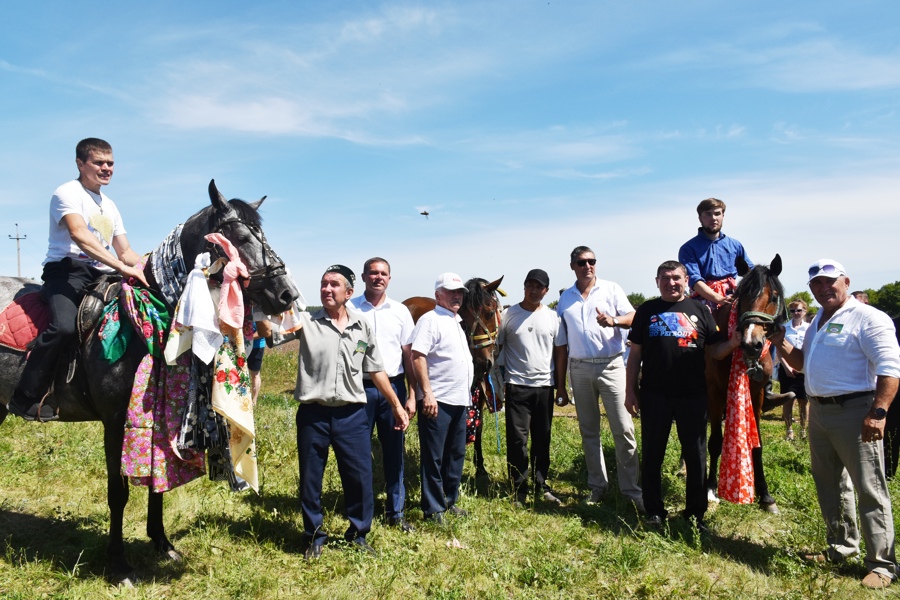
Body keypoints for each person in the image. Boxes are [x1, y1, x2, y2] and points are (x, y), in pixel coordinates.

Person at [773, 259, 900, 589]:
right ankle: (841, 548)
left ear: (845, 281)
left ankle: (882, 564)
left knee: (869, 488)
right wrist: (780, 342)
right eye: (816, 283)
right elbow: (801, 364)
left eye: (830, 281)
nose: (823, 287)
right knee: (830, 485)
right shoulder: (818, 321)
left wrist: (878, 412)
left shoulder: (869, 318)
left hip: (856, 411)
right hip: (820, 412)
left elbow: (890, 367)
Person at [9, 138, 148, 422]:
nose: (106, 168)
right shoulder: (67, 193)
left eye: (110, 163)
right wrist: (121, 266)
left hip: (101, 274)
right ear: (80, 164)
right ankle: (26, 396)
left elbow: (126, 250)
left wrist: (150, 268)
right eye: (99, 162)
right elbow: (79, 235)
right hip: (66, 272)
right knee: (62, 326)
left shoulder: (109, 205)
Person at [293, 265, 409, 559]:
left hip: (352, 415)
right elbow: (269, 333)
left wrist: (396, 405)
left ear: (348, 293)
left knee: (360, 477)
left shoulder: (361, 326)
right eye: (323, 284)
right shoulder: (306, 321)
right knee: (310, 478)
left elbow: (376, 368)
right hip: (313, 415)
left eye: (334, 285)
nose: (327, 289)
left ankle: (358, 533)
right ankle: (314, 536)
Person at [625, 261, 721, 531]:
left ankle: (695, 515)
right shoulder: (646, 310)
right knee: (653, 454)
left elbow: (715, 351)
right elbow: (635, 356)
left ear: (686, 279)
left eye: (676, 278)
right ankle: (655, 511)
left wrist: (734, 343)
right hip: (655, 394)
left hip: (693, 395)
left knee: (696, 456)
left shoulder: (700, 310)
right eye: (665, 278)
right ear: (657, 281)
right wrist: (630, 390)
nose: (671, 283)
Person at [678, 197, 792, 408]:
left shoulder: (735, 244)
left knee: (763, 326)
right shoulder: (689, 248)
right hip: (705, 297)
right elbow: (694, 280)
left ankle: (764, 389)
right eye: (708, 214)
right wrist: (717, 297)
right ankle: (691, 384)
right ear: (700, 217)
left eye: (717, 213)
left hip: (735, 296)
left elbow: (749, 272)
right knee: (692, 334)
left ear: (723, 216)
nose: (713, 218)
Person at [554, 246, 643, 511]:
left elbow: (634, 316)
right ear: (572, 266)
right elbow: (561, 343)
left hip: (611, 365)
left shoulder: (611, 289)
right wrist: (560, 384)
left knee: (623, 428)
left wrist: (614, 321)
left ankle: (631, 490)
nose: (587, 266)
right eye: (582, 262)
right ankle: (597, 486)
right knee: (589, 430)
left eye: (592, 261)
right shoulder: (565, 299)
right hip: (579, 368)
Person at [349, 257, 417, 532]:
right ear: (364, 277)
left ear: (390, 278)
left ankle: (396, 512)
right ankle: (359, 510)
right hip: (359, 388)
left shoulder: (400, 312)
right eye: (373, 273)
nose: (378, 277)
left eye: (383, 274)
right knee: (357, 452)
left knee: (394, 452)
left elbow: (409, 355)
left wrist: (412, 395)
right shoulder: (350, 308)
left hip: (395, 387)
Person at [411, 272, 474, 524]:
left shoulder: (456, 321)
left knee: (455, 454)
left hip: (460, 399)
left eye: (460, 292)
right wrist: (427, 393)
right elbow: (418, 356)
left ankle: (449, 500)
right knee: (434, 456)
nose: (457, 296)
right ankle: (433, 508)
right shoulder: (430, 320)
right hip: (439, 399)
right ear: (438, 295)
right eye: (451, 292)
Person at [497, 269, 561, 507]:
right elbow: (496, 349)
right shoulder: (508, 315)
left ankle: (542, 484)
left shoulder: (553, 317)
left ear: (546, 291)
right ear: (524, 287)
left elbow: (559, 351)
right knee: (517, 441)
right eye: (530, 285)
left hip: (544, 387)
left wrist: (561, 385)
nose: (534, 291)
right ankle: (519, 489)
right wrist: (496, 383)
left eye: (539, 287)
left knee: (542, 438)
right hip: (517, 386)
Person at [779, 300, 810, 441]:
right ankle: (789, 430)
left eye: (799, 310)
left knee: (804, 401)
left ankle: (803, 430)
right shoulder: (784, 328)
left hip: (804, 370)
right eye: (793, 311)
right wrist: (787, 367)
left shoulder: (810, 328)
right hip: (787, 370)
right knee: (788, 400)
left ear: (805, 311)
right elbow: (779, 350)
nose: (796, 313)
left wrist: (803, 368)